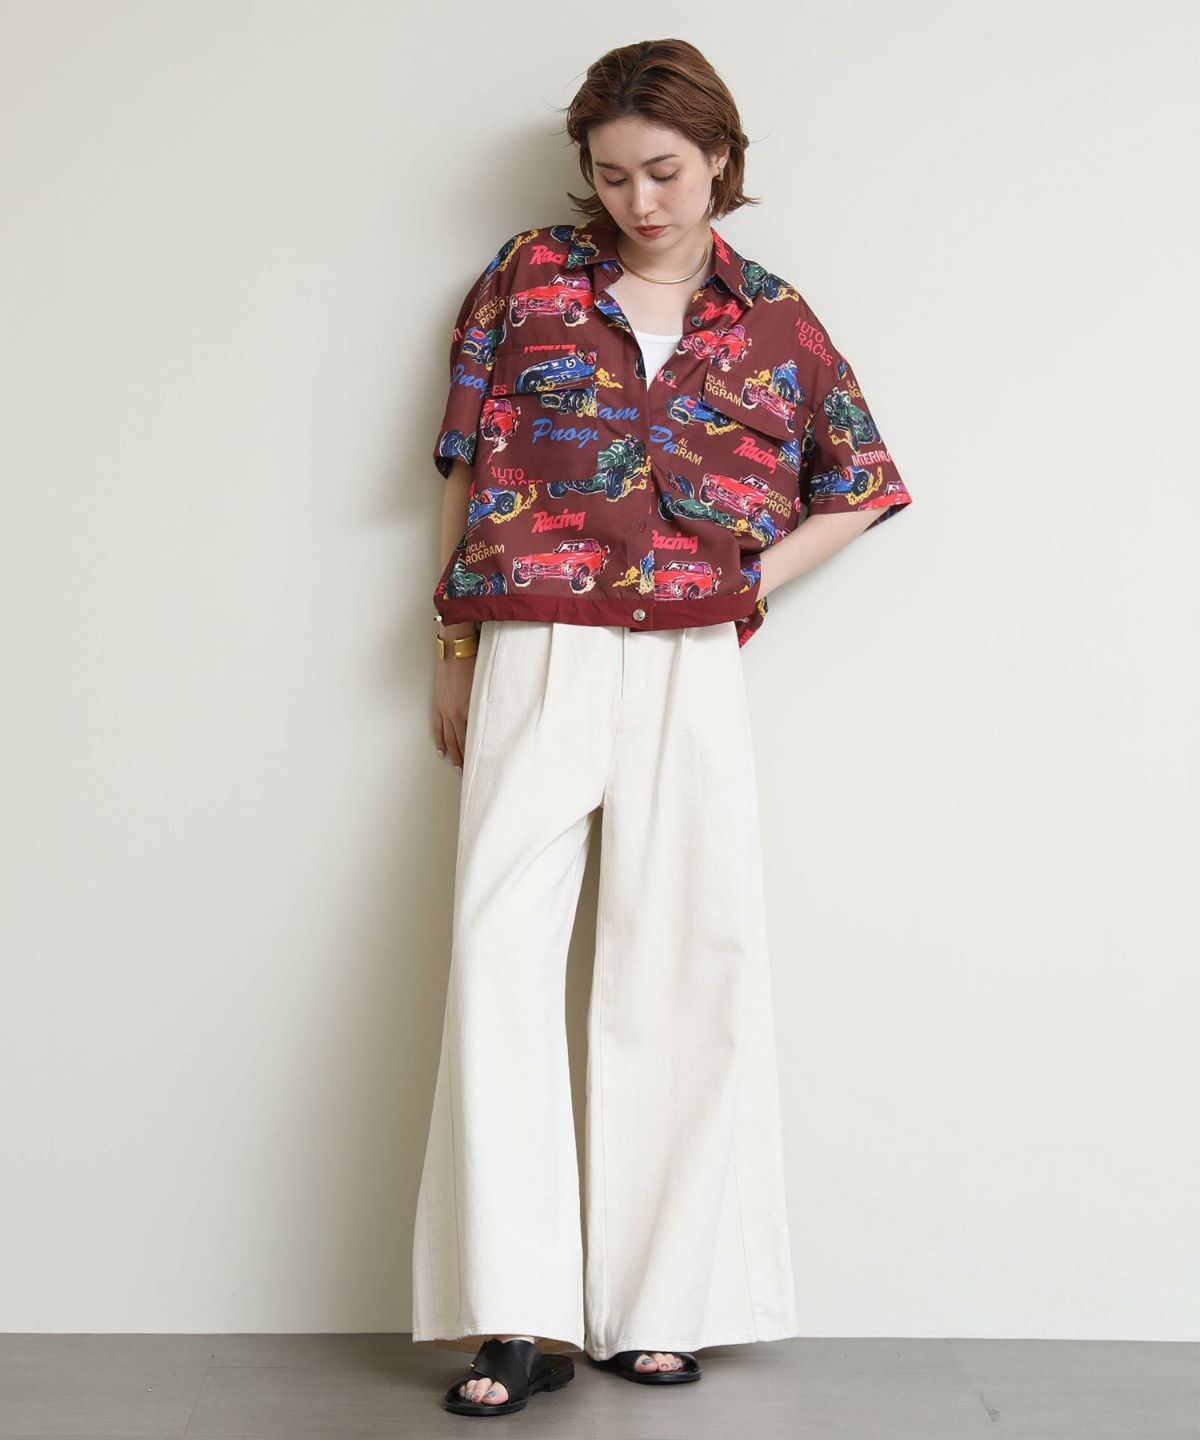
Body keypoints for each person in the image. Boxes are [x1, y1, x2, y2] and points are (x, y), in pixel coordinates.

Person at [413, 37, 914, 1418]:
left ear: (721, 162)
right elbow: (461, 461)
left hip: (690, 657)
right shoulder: (526, 278)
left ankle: (663, 1305)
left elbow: (865, 482)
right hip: (535, 640)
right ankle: (516, 1316)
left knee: (685, 959)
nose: (641, 200)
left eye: (667, 171)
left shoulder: (776, 319)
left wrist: (747, 584)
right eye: (615, 174)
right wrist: (451, 643)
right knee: (499, 959)